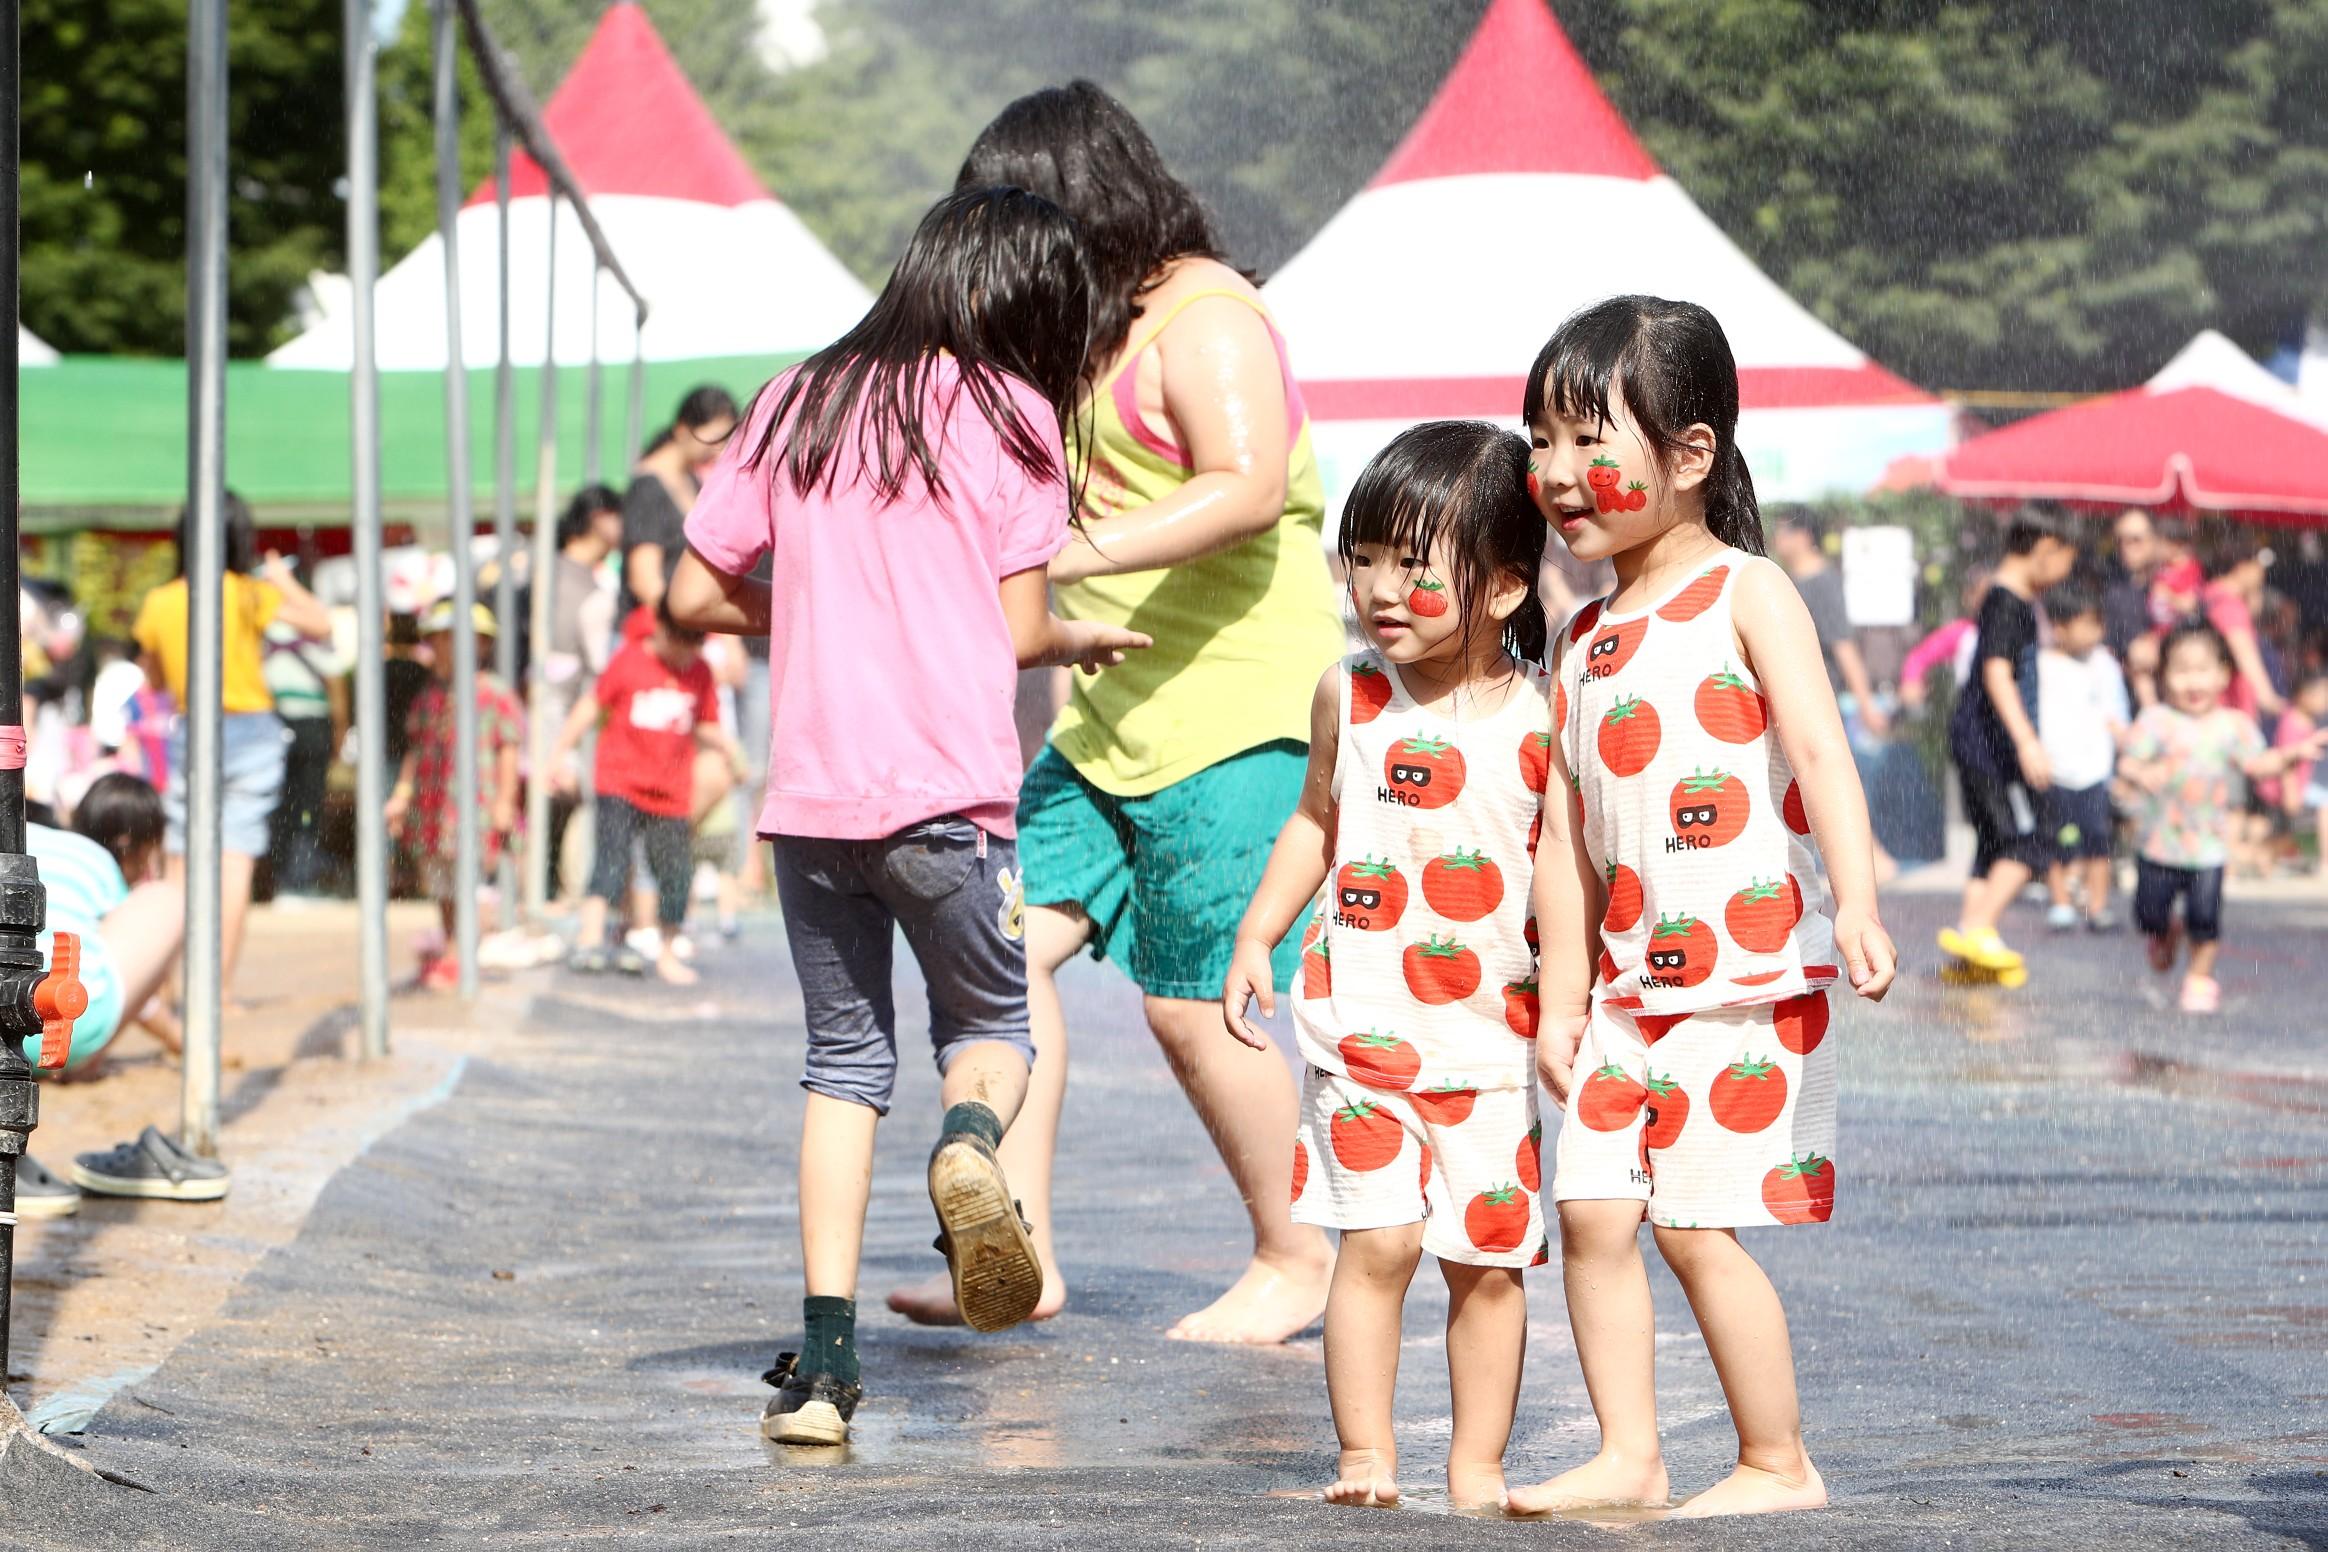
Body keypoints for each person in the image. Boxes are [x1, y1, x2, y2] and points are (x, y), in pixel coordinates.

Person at [668, 186, 1148, 1447]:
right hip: (948, 800)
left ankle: (823, 1376)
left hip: (813, 809)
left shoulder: (793, 399)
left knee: (842, 1063)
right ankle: (973, 1144)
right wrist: (1079, 637)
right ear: (1013, 298)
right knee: (991, 1027)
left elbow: (690, 593)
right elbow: (1024, 631)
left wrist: (818, 612)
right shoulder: (1012, 411)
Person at [884, 80, 1346, 1345]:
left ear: (1077, 207)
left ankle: (1297, 1253)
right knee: (996, 956)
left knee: (1198, 998)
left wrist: (1062, 553)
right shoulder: (1076, 341)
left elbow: (1246, 486)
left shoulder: (1205, 316)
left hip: (1239, 711)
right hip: (1107, 725)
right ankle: (1016, 1253)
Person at [1509, 297, 1895, 1520]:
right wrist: (1560, 998)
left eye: (1588, 440)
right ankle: (1631, 1451)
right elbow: (1564, 840)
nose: (1558, 473)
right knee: (1591, 1215)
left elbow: (1823, 757)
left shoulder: (1749, 593)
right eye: (1541, 441)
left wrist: (1860, 902)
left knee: (1693, 1226)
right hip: (1626, 992)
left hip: (1743, 976)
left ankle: (1779, 1460)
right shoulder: (1580, 638)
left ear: (1690, 456)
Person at [1220, 422, 1550, 1510]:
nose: (1381, 588)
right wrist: (1258, 932)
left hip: (1493, 1043)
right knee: (1379, 1243)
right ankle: (1365, 1452)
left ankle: (1478, 1462)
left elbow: (1567, 880)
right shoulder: (1348, 697)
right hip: (1358, 1027)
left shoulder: (1545, 718)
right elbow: (1314, 820)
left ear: (1504, 588)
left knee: (1488, 1266)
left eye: (1416, 562)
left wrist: (1578, 1007)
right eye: (1362, 557)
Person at [132, 491, 332, 1004]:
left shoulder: (162, 600)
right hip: (252, 732)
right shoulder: (246, 593)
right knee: (235, 860)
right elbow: (321, 624)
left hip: (193, 728)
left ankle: (174, 985)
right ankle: (215, 991)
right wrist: (283, 580)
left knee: (181, 860)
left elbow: (152, 679)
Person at [2121, 622, 2328, 1014]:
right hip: (2159, 843)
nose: (2192, 682)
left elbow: (2258, 764)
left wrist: (2292, 755)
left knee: (2206, 917)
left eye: (2202, 670)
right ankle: (2165, 932)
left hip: (2209, 848)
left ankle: (2199, 978)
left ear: (2223, 675)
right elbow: (2129, 760)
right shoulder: (2157, 721)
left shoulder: (2233, 725)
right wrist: (2139, 772)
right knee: (2149, 915)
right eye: (2181, 671)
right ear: (2164, 676)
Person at [11, 775, 191, 1215]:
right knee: (166, 900)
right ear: (134, 844)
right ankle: (82, 1060)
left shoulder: (17, 837)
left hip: (5, 1014)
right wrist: (181, 1039)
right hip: (61, 1026)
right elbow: (132, 984)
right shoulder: (97, 863)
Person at [553, 599, 744, 987]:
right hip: (619, 780)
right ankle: (591, 938)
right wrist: (560, 753)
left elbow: (703, 723)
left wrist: (728, 749)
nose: (683, 654)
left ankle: (668, 949)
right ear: (659, 628)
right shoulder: (629, 661)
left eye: (693, 646)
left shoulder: (700, 672)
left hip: (671, 790)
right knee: (611, 857)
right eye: (678, 642)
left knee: (676, 871)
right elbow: (592, 706)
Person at [1940, 508, 2078, 979]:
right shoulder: (2008, 601)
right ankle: (1977, 929)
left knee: (1994, 841)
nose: (2064, 575)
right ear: (2045, 549)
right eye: (2065, 562)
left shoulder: (2005, 598)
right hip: (1991, 745)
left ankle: (1970, 951)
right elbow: (1997, 672)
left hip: (1981, 741)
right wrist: (2026, 742)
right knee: (2036, 836)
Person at [385, 601, 523, 990]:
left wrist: (505, 801)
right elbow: (417, 747)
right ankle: (450, 947)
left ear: (480, 645)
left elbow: (508, 748)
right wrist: (402, 793)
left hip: (474, 805)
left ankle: (464, 952)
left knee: (469, 879)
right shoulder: (429, 696)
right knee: (441, 881)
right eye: (440, 640)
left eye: (454, 640)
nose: (446, 649)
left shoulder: (493, 693)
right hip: (433, 807)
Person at [539, 485, 625, 899]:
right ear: (599, 518)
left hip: (582, 706)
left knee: (573, 801)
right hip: (553, 704)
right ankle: (549, 893)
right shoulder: (551, 575)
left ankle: (566, 892)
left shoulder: (589, 580)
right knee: (554, 796)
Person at [2034, 579, 2131, 931]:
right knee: (2055, 840)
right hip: (2055, 769)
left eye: (2098, 623)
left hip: (2093, 770)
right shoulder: (2041, 665)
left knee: (2098, 840)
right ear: (2059, 626)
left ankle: (2098, 905)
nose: (2097, 632)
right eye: (2088, 624)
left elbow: (2116, 712)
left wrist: (2127, 748)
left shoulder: (2103, 663)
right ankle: (2061, 902)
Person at [622, 387, 740, 618]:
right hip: (657, 633)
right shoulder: (647, 487)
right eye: (714, 438)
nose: (719, 450)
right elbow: (645, 580)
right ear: (683, 430)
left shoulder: (692, 480)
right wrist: (684, 626)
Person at [261, 596, 351, 898]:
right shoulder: (314, 634)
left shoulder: (264, 629)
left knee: (282, 806)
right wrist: (339, 734)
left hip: (277, 724)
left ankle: (284, 878)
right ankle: (294, 880)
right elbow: (335, 685)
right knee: (305, 806)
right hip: (308, 725)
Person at [1771, 509, 1888, 739]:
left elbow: (1842, 643)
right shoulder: (1789, 579)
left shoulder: (1823, 582)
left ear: (1804, 536)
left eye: (1782, 531)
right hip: (1792, 699)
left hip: (1817, 703)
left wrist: (1866, 705)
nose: (1776, 538)